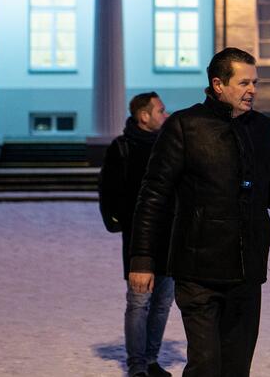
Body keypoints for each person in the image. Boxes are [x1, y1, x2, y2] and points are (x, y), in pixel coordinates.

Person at [128, 47, 270, 377]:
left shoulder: (262, 128)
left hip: (246, 271)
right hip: (197, 271)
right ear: (218, 84)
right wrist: (142, 259)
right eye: (244, 83)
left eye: (255, 82)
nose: (252, 89)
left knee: (237, 368)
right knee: (206, 367)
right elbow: (153, 195)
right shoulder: (185, 126)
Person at [98, 92, 173, 377]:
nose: (165, 115)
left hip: (169, 238)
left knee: (163, 302)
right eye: (161, 111)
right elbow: (109, 191)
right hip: (138, 241)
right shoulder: (122, 147)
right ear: (145, 116)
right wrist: (123, 222)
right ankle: (137, 364)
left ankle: (151, 359)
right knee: (139, 302)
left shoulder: (169, 146)